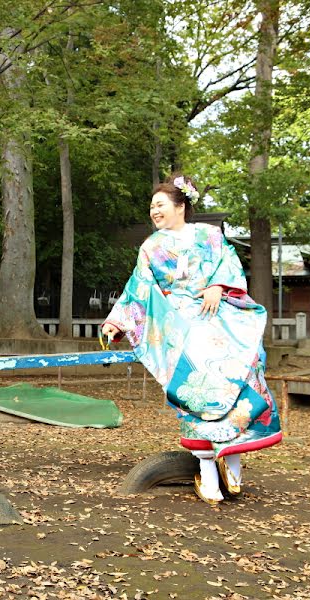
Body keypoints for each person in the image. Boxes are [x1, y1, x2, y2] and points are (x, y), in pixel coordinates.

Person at [102, 175, 281, 505]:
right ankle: (211, 479)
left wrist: (217, 287)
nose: (154, 211)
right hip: (180, 324)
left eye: (160, 205)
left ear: (181, 207)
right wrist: (117, 320)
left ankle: (234, 471)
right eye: (152, 206)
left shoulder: (209, 235)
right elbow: (137, 288)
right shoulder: (151, 247)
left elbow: (228, 262)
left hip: (219, 314)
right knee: (194, 392)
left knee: (244, 375)